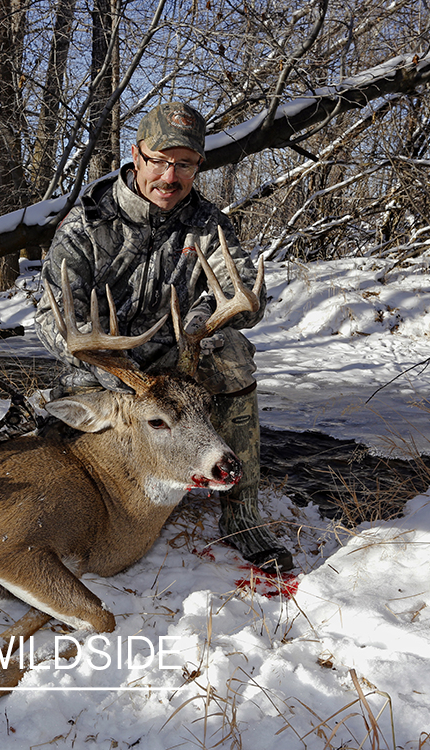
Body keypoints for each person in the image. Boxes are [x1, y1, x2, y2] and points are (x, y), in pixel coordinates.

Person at [34, 101, 293, 573]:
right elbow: (51, 318)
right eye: (160, 160)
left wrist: (200, 320)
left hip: (179, 366)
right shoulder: (86, 225)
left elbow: (244, 299)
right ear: (137, 156)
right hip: (111, 375)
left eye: (185, 165)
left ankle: (243, 517)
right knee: (60, 471)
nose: (170, 177)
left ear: (198, 166)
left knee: (233, 353)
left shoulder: (208, 225)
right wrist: (110, 365)